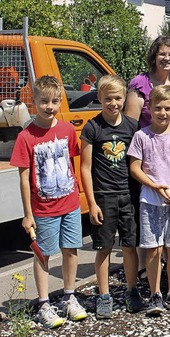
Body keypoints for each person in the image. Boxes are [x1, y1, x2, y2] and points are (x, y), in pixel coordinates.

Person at [10, 76, 88, 328]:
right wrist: (27, 213)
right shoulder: (26, 136)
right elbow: (23, 179)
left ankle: (69, 296)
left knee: (71, 250)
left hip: (69, 204)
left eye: (55, 101)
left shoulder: (66, 130)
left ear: (60, 101)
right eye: (44, 101)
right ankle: (44, 303)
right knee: (43, 255)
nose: (49, 107)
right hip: (43, 209)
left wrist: (79, 193)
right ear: (33, 102)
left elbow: (73, 163)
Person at [79, 75, 145, 319]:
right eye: (108, 98)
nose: (114, 103)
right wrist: (92, 202)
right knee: (104, 248)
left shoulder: (131, 126)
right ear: (100, 98)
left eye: (118, 98)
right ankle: (104, 295)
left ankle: (131, 290)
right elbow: (85, 167)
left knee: (129, 246)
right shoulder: (92, 128)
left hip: (128, 195)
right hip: (104, 197)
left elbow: (139, 161)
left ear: (124, 98)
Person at [127, 85, 170, 315]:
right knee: (153, 249)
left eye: (167, 108)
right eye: (158, 108)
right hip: (150, 201)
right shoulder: (141, 136)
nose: (162, 113)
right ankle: (155, 294)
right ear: (150, 108)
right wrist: (154, 186)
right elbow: (134, 167)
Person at [125, 35, 170, 128]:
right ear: (154, 57)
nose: (167, 58)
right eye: (162, 54)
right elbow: (130, 125)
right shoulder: (140, 84)